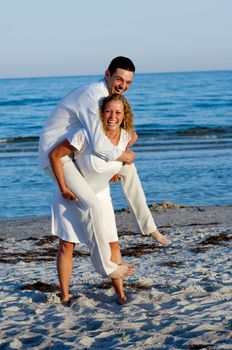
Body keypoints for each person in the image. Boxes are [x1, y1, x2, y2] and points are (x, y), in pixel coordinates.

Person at [38, 56, 169, 292]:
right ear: (107, 74)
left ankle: (149, 226)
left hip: (76, 155)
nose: (123, 85)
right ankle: (106, 268)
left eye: (128, 82)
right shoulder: (94, 97)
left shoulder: (108, 99)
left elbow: (107, 135)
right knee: (94, 206)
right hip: (57, 154)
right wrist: (124, 155)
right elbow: (99, 146)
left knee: (129, 171)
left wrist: (119, 160)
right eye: (119, 79)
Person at [50, 94, 138, 305]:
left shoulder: (127, 136)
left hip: (100, 195)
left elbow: (118, 159)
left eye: (117, 112)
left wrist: (114, 172)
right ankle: (64, 296)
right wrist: (63, 188)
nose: (112, 116)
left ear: (124, 115)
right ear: (100, 113)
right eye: (108, 111)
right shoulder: (84, 133)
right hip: (71, 194)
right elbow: (55, 156)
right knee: (67, 245)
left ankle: (120, 294)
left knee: (112, 244)